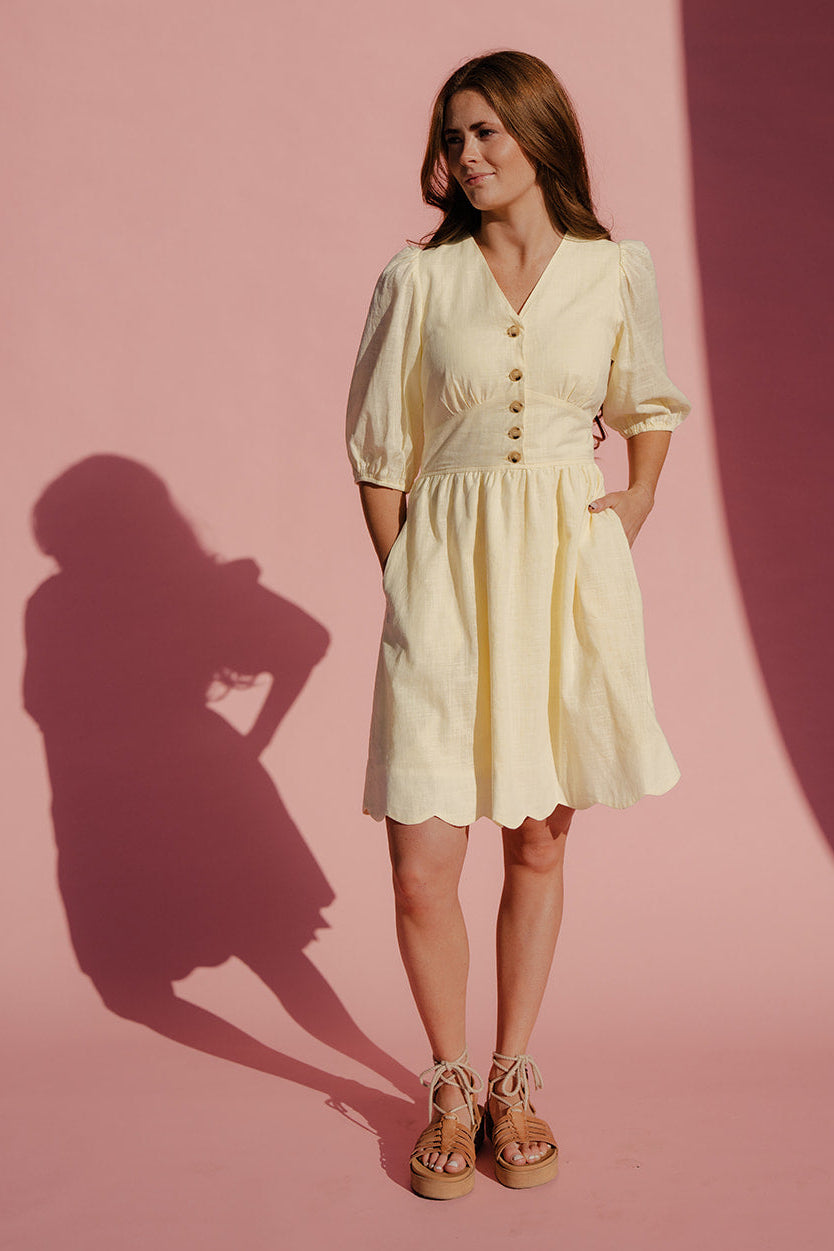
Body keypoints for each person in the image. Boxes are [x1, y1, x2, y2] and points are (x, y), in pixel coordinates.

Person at [344, 49, 691, 1199]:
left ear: (541, 135)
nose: (468, 155)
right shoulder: (418, 278)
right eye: (453, 137)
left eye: (487, 131)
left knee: (540, 837)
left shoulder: (614, 268)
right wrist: (406, 581)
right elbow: (379, 452)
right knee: (421, 863)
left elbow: (647, 402)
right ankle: (448, 1082)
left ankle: (512, 1077)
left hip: (563, 573)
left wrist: (637, 498)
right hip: (444, 569)